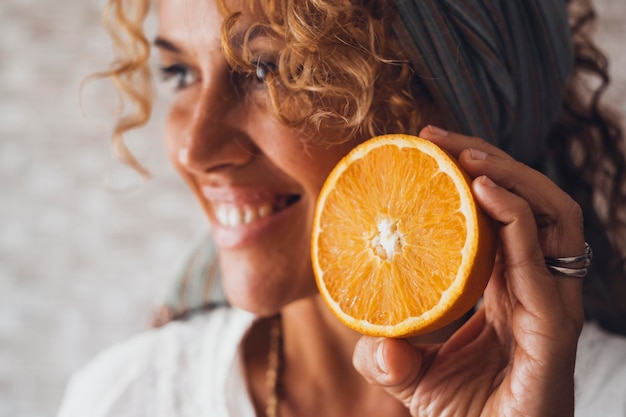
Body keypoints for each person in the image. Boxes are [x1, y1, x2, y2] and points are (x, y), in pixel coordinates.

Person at [58, 0, 626, 416]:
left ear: (458, 104)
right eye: (179, 73)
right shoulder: (124, 397)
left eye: (270, 70)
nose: (193, 149)